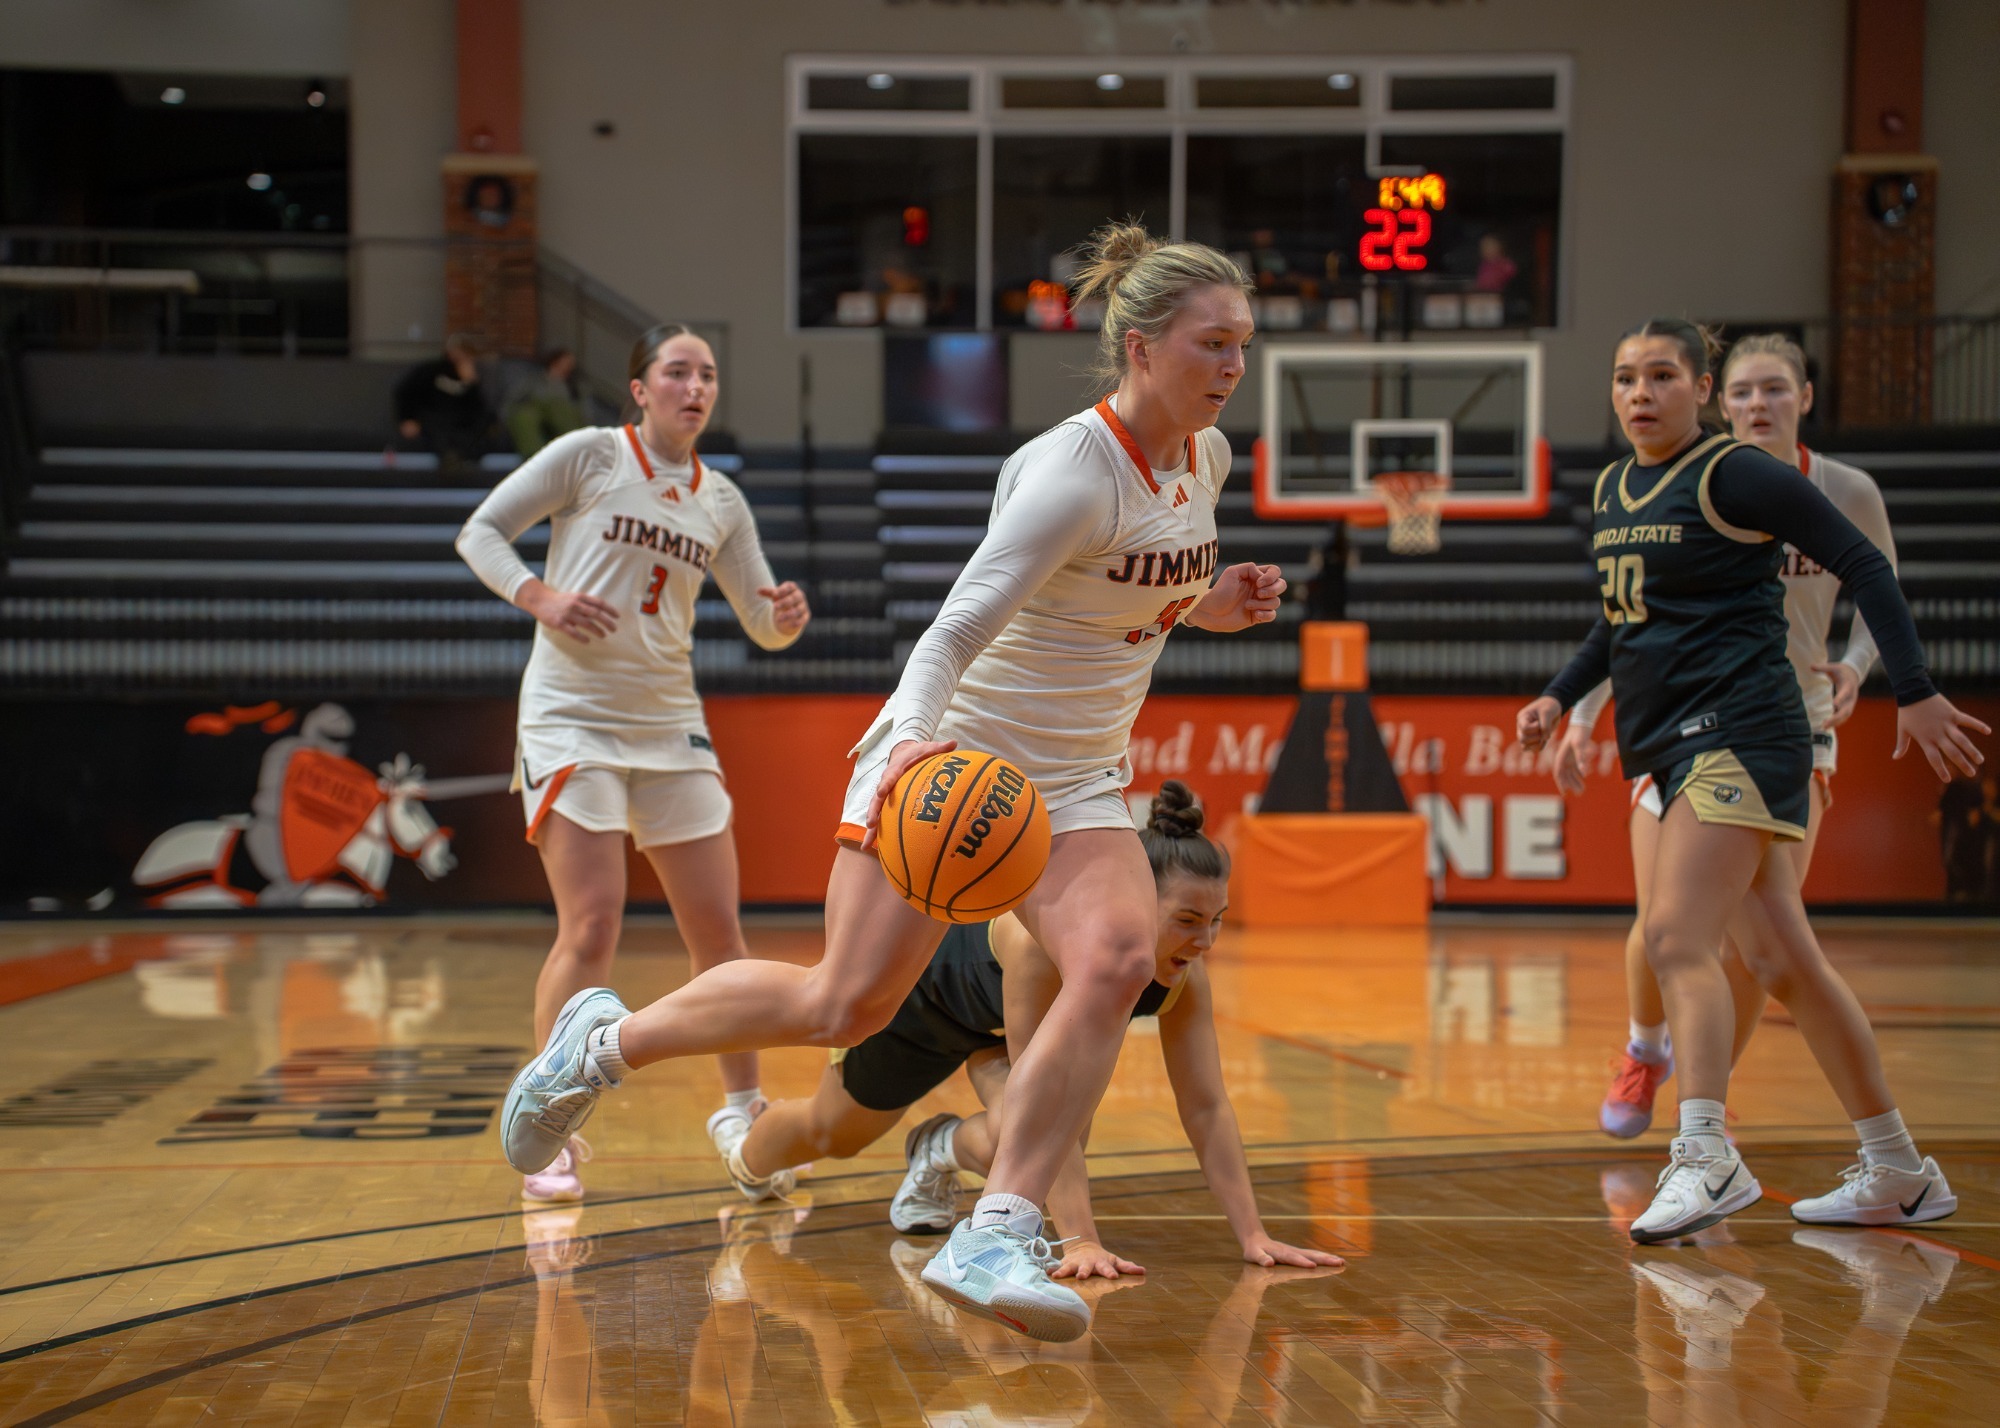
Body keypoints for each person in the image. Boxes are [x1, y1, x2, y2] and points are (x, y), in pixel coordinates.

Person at [495, 221, 1285, 1341]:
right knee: (841, 1006)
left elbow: (1130, 590)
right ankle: (598, 1045)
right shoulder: (1072, 470)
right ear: (1142, 347)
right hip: (960, 756)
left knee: (1113, 958)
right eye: (1213, 344)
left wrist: (1214, 601)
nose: (1232, 368)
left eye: (1243, 346)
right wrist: (911, 739)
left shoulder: (1201, 461)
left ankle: (997, 1228)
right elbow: (953, 630)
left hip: (1076, 778)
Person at [1517, 317, 1985, 1244]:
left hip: (1744, 732)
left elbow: (1866, 565)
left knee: (1676, 937)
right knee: (1782, 962)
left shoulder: (1732, 473)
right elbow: (1621, 621)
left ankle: (1704, 1154)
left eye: (1662, 375)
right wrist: (1563, 696)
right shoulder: (1615, 486)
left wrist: (1917, 691)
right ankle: (1898, 1168)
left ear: (1703, 392)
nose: (1641, 392)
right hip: (1668, 741)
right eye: (1625, 377)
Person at [456, 322, 812, 1203]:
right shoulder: (587, 456)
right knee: (592, 927)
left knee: (720, 939)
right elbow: (482, 530)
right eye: (678, 372)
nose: (696, 387)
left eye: (709, 375)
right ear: (640, 388)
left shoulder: (721, 499)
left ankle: (742, 1110)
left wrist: (785, 617)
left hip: (669, 725)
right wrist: (537, 594)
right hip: (570, 716)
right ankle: (553, 1127)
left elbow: (763, 624)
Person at [727, 783, 1343, 1279]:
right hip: (920, 1007)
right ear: (1130, 899)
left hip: (999, 1040)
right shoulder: (1039, 949)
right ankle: (745, 1152)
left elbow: (1206, 1107)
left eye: (1216, 922)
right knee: (829, 1134)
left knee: (1050, 1137)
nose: (1203, 941)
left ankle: (939, 1148)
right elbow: (1037, 1090)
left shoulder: (1184, 976)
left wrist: (1253, 1234)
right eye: (1186, 919)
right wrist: (1079, 1241)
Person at [1559, 333, 1902, 1139]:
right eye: (1745, 392)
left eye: (1775, 390)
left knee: (1761, 948)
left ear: (1805, 399)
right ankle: (1655, 1058)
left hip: (1786, 727)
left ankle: (1710, 1102)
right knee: (1667, 925)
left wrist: (1862, 666)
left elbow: (1879, 578)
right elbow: (1629, 611)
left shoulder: (1841, 489)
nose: (1758, 405)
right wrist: (1577, 709)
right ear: (1722, 399)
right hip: (1679, 724)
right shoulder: (1691, 479)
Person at [395, 334, 493, 469]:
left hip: (463, 422)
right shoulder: (431, 370)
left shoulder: (479, 373)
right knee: (436, 425)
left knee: (479, 426)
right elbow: (405, 392)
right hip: (435, 419)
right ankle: (451, 459)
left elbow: (481, 408)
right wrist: (407, 418)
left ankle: (465, 462)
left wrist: (471, 384)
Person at [505, 348, 587, 457]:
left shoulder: (573, 386)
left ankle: (572, 453)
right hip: (535, 410)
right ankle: (535, 457)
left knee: (561, 411)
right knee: (526, 416)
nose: (570, 366)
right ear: (555, 361)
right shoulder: (533, 380)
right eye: (566, 362)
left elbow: (582, 408)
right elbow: (513, 399)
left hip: (559, 413)